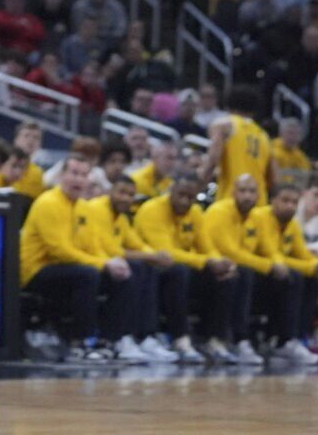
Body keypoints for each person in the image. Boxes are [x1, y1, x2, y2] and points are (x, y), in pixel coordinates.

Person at [19, 154, 133, 363]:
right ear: (62, 176)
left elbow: (94, 246)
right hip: (37, 271)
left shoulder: (84, 207)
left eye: (84, 174)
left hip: (67, 268)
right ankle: (79, 343)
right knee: (88, 274)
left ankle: (108, 342)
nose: (78, 179)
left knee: (123, 275)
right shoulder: (48, 203)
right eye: (74, 173)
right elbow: (59, 251)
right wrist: (103, 263)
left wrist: (112, 263)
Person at [79, 175, 181, 363]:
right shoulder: (97, 209)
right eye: (122, 192)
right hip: (93, 262)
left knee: (148, 268)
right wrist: (151, 256)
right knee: (136, 268)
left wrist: (158, 254)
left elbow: (136, 244)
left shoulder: (121, 217)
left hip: (110, 263)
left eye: (130, 195)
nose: (126, 198)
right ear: (111, 191)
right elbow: (112, 250)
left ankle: (145, 337)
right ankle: (119, 337)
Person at [132, 172, 229, 363]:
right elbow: (167, 253)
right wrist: (206, 262)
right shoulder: (152, 209)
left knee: (226, 277)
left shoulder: (195, 212)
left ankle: (212, 339)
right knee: (179, 272)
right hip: (152, 268)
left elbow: (207, 247)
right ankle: (181, 338)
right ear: (171, 191)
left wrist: (220, 262)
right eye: (181, 195)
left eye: (190, 197)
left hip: (182, 266)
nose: (185, 201)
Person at [198, 174, 288, 365]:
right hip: (208, 268)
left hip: (241, 269)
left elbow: (269, 248)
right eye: (243, 191)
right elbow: (231, 252)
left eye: (252, 191)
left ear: (259, 195)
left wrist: (278, 262)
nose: (247, 196)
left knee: (290, 277)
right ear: (233, 192)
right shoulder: (219, 211)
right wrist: (270, 266)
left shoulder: (256, 216)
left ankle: (282, 341)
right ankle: (226, 339)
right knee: (240, 274)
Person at [250, 185, 318, 363]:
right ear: (273, 201)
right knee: (296, 277)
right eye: (285, 201)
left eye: (294, 202)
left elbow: (302, 253)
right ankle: (283, 342)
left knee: (313, 280)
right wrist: (311, 267)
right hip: (256, 271)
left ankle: (299, 338)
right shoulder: (260, 216)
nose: (290, 206)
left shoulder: (292, 224)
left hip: (277, 272)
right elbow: (271, 252)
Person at [204, 85, 277, 206]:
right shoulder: (264, 135)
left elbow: (213, 160)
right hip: (258, 203)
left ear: (229, 103)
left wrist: (198, 184)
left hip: (230, 201)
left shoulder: (224, 124)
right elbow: (274, 179)